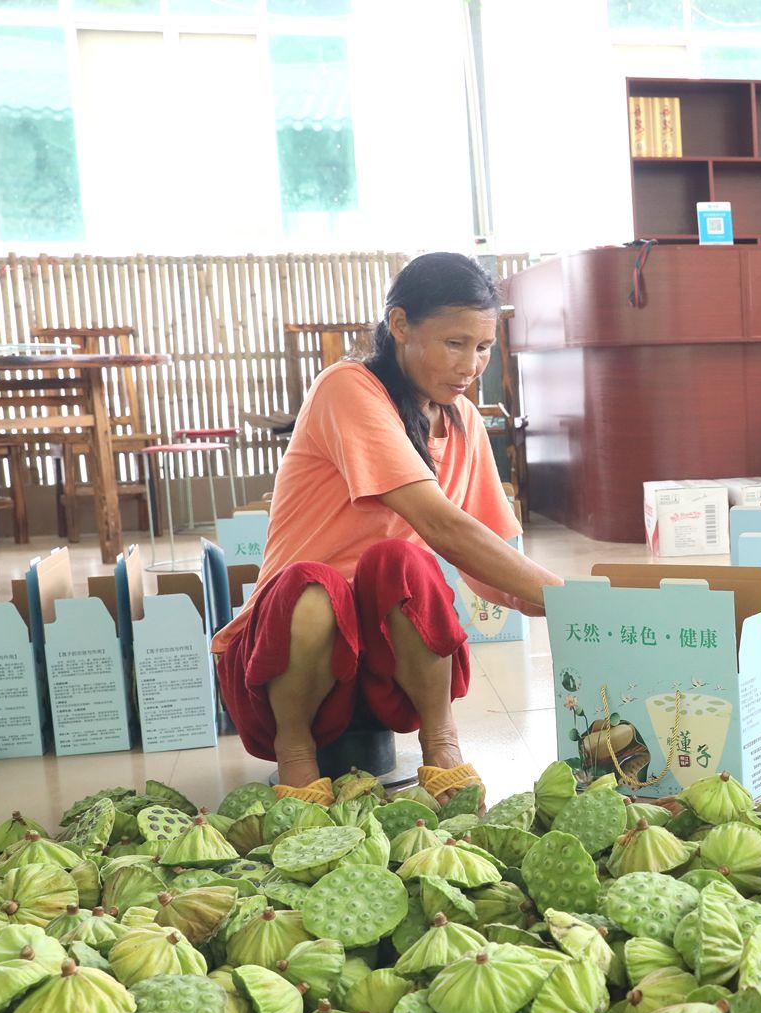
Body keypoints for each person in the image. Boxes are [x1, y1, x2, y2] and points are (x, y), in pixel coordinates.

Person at [212, 252, 563, 804]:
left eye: (482, 347)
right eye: (454, 343)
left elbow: (490, 560)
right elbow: (440, 523)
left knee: (401, 564)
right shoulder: (348, 389)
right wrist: (565, 596)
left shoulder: (462, 421)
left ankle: (441, 742)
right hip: (284, 667)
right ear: (399, 325)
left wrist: (577, 612)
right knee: (316, 584)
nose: (470, 365)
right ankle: (297, 755)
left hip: (383, 672)